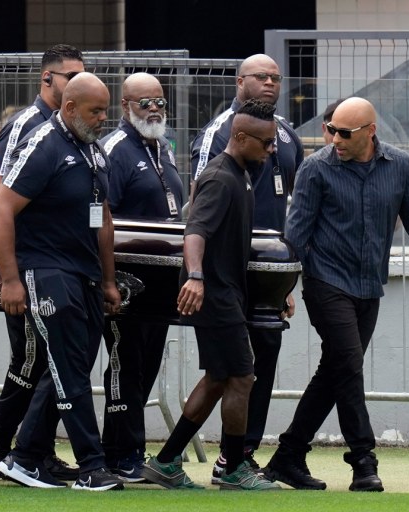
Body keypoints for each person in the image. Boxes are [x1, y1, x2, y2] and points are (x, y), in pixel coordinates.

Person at [266, 97, 409, 493]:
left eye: (344, 133)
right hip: (325, 281)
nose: (334, 139)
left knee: (335, 370)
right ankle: (363, 461)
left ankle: (288, 456)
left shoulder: (399, 165)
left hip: (368, 284)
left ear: (370, 131)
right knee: (348, 365)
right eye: (331, 130)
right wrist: (285, 288)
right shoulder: (316, 168)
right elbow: (296, 232)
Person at [0, 72, 124, 491]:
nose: (103, 118)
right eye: (95, 111)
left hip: (84, 274)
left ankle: (25, 456)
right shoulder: (43, 146)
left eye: (105, 110)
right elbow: (1, 211)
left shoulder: (95, 152)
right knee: (69, 367)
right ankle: (92, 466)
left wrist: (107, 280)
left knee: (72, 366)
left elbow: (102, 219)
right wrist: (10, 280)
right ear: (69, 108)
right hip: (46, 272)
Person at [141, 99, 279, 491]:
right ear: (239, 137)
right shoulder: (220, 177)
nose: (271, 150)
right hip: (215, 295)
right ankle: (233, 468)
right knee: (242, 377)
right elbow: (195, 230)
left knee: (219, 377)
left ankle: (167, 461)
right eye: (266, 143)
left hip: (226, 292)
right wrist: (196, 277)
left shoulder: (243, 173)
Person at [0, 43, 85, 483]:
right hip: (29, 264)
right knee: (31, 357)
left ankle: (35, 446)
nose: (76, 83)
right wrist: (10, 274)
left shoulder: (72, 126)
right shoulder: (24, 126)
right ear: (47, 79)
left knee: (49, 359)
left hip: (61, 261)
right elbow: (4, 202)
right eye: (69, 76)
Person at [190, 53, 301, 484]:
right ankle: (225, 460)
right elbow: (199, 203)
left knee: (263, 357)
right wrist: (198, 273)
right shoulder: (220, 133)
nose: (270, 83)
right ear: (240, 82)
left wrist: (284, 279)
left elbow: (289, 204)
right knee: (232, 371)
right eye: (261, 76)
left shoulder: (287, 135)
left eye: (276, 77)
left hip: (267, 272)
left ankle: (244, 454)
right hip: (225, 273)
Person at [97, 72, 185, 482]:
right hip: (125, 280)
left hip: (161, 283)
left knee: (147, 365)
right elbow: (100, 217)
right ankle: (117, 452)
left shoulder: (163, 148)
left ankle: (130, 446)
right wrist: (108, 280)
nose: (154, 109)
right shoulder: (114, 149)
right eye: (144, 102)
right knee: (124, 364)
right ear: (124, 106)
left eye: (159, 102)